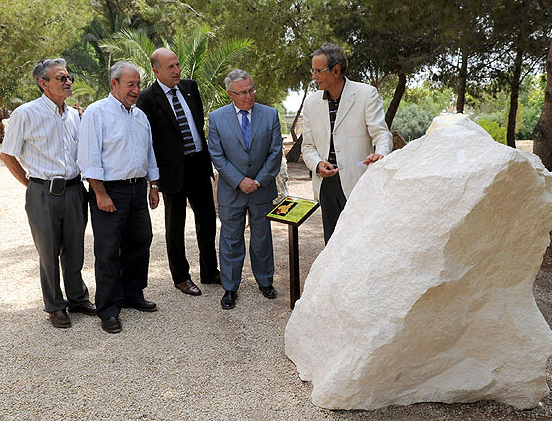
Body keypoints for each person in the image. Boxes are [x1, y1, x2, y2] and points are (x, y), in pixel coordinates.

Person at [0, 58, 95, 329]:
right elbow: (7, 155)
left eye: (68, 77)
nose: (68, 82)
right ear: (43, 83)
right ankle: (55, 305)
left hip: (76, 190)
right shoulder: (25, 114)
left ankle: (78, 298)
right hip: (43, 193)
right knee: (48, 252)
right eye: (61, 78)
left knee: (75, 250)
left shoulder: (74, 116)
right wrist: (32, 186)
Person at [77, 62, 160, 334]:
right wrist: (100, 193)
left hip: (138, 189)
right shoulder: (96, 113)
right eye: (130, 85)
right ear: (113, 84)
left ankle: (133, 293)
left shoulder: (140, 116)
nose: (136, 90)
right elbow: (89, 156)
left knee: (141, 240)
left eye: (138, 84)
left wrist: (153, 185)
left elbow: (149, 153)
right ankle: (109, 309)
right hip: (110, 191)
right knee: (109, 250)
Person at [137, 48, 220, 297]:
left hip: (198, 165)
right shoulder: (147, 99)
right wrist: (153, 180)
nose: (177, 70)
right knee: (176, 227)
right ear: (156, 71)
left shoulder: (190, 87)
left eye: (177, 65)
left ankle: (209, 270)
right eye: (170, 67)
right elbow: (148, 140)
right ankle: (181, 277)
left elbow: (197, 123)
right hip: (172, 172)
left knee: (207, 221)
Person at [208, 69, 283, 310]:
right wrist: (240, 181)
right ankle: (230, 287)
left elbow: (275, 152)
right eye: (242, 92)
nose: (249, 96)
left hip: (261, 189)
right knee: (230, 239)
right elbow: (217, 155)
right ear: (230, 93)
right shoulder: (217, 118)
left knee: (262, 238)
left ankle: (265, 281)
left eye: (251, 90)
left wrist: (258, 181)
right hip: (232, 190)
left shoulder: (270, 115)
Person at [301, 44, 392, 243]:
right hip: (326, 184)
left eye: (318, 71)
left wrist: (381, 154)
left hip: (358, 180)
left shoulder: (366, 94)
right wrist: (317, 164)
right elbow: (307, 146)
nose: (314, 76)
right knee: (332, 244)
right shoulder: (310, 103)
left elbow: (382, 134)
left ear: (336, 70)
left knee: (360, 244)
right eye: (313, 70)